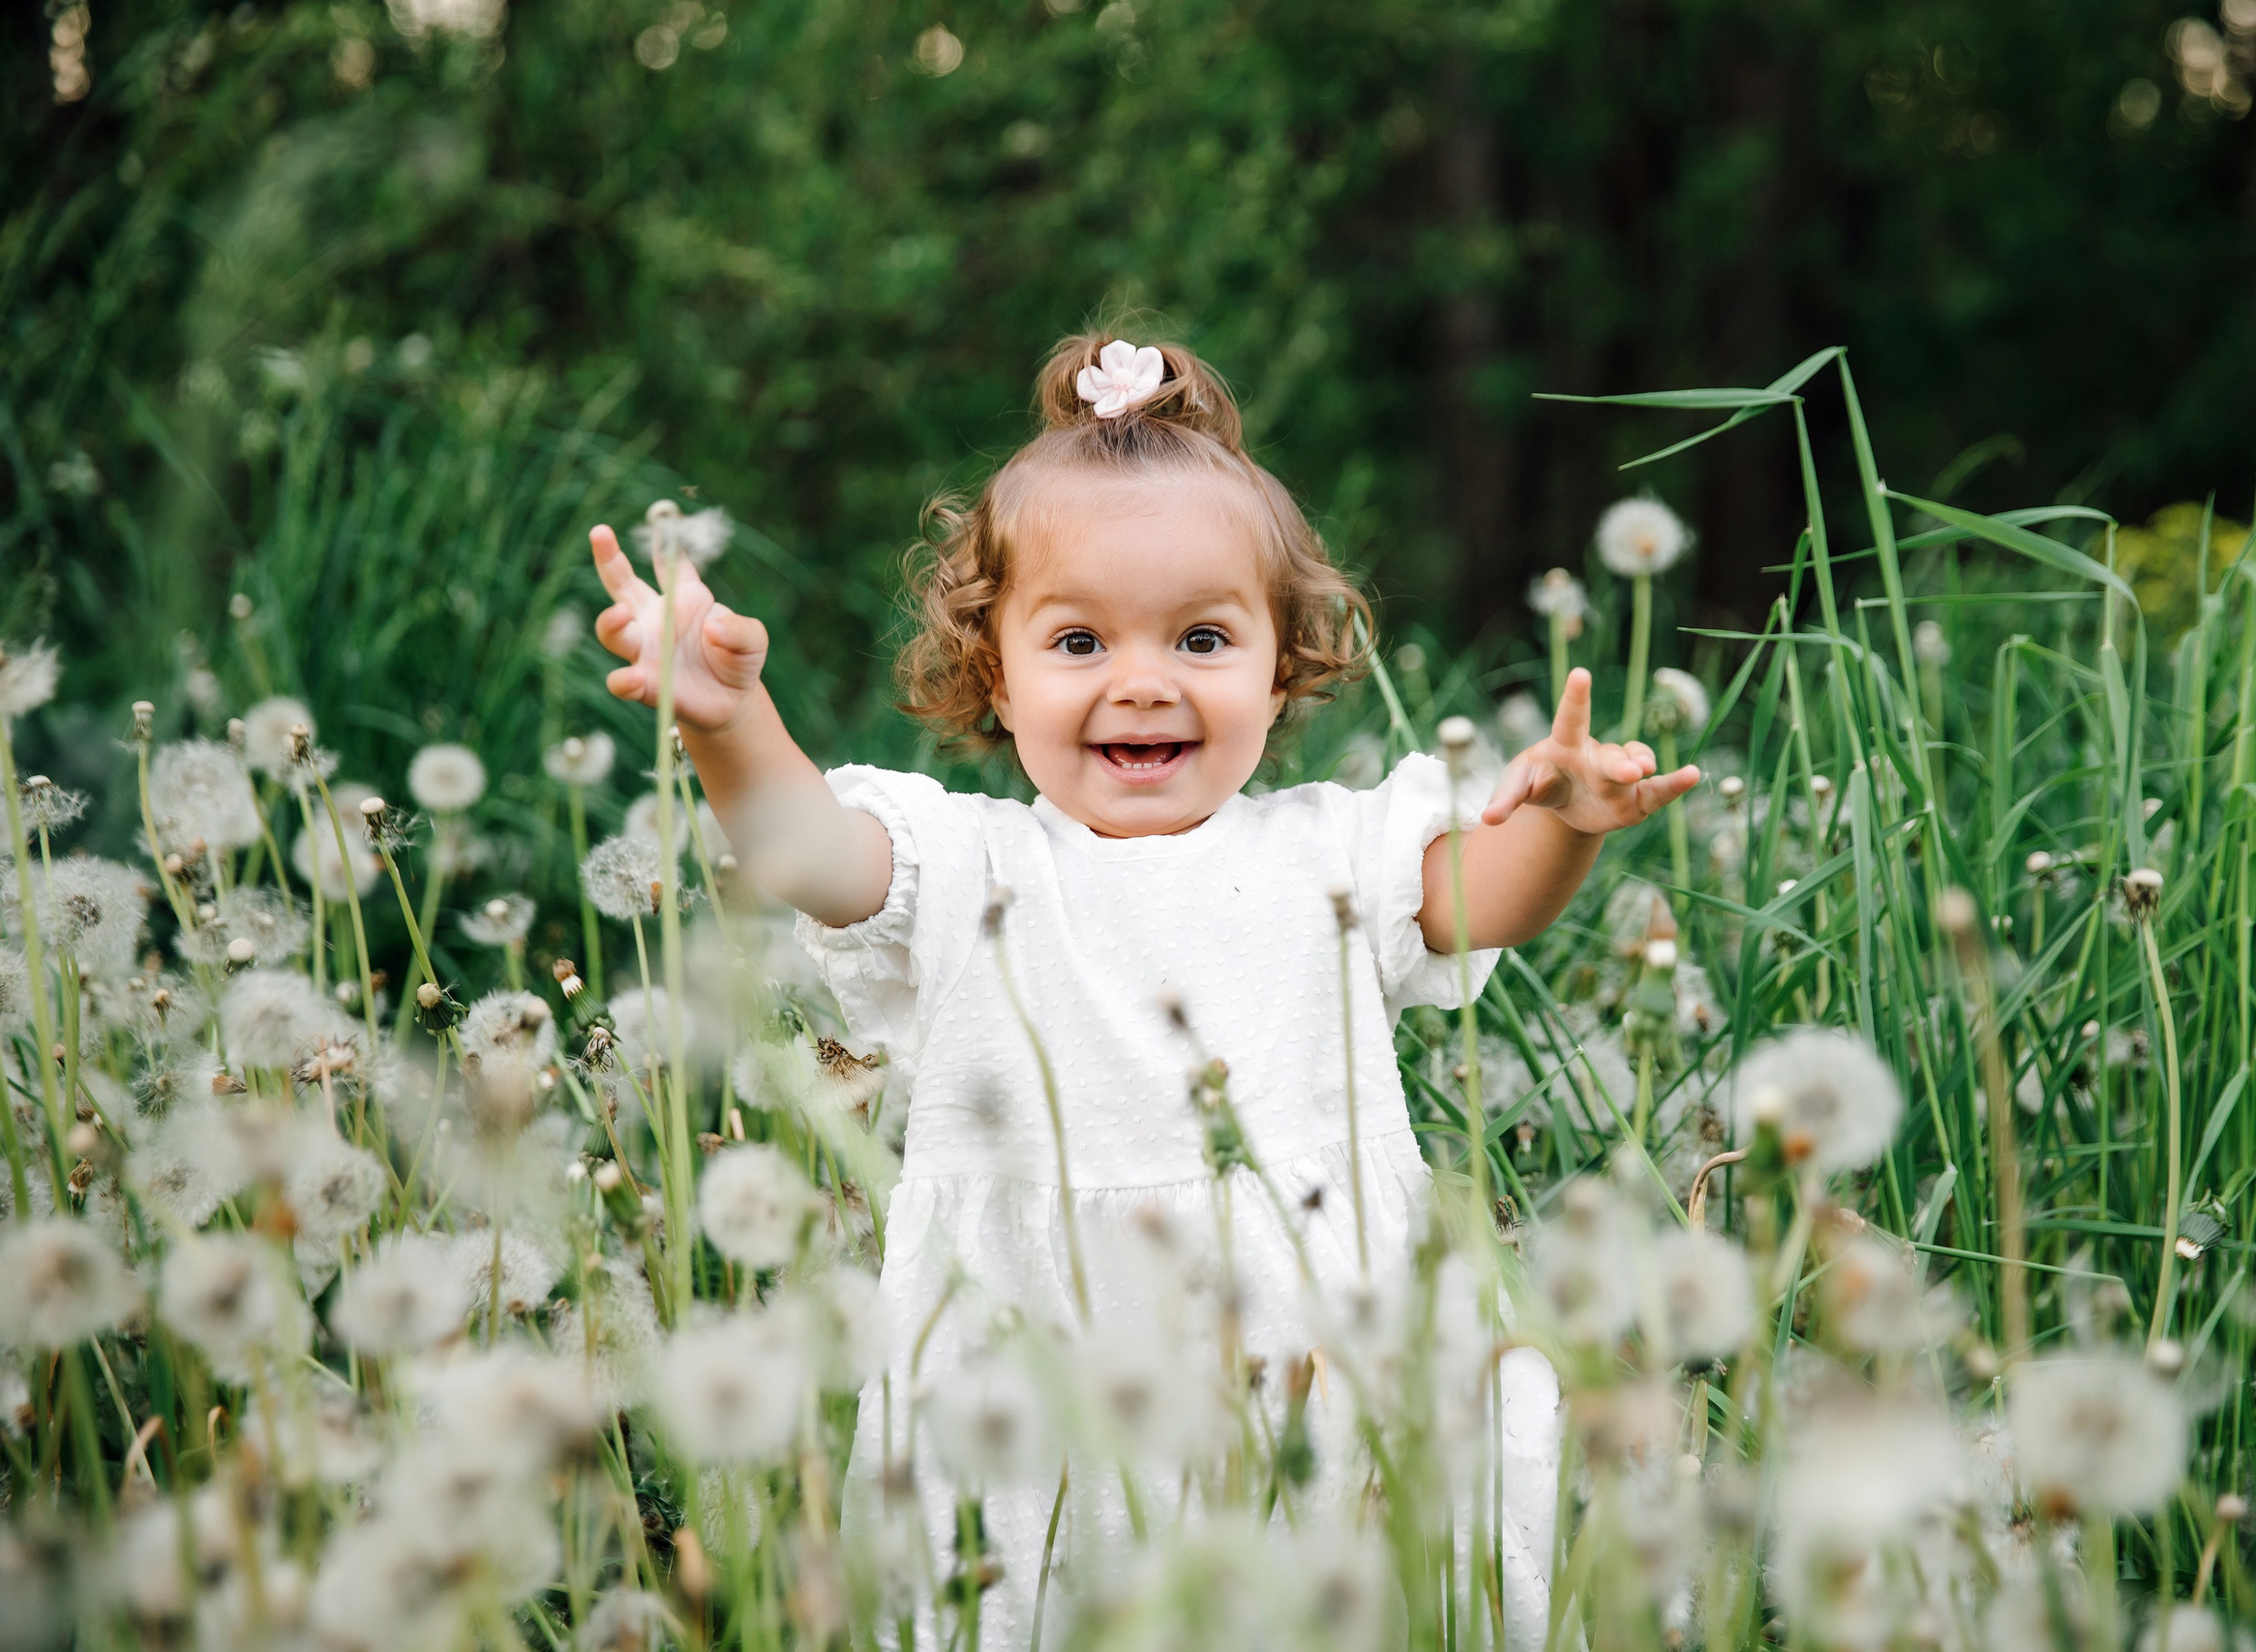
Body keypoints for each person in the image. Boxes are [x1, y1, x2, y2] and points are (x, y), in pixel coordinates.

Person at [588, 331, 1700, 1647]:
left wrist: (1562, 823)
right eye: (1076, 640)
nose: (1142, 679)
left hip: (1310, 1352)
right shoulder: (964, 860)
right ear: (993, 673)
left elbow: (1477, 899)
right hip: (1035, 1362)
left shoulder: (1332, 848)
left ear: (1281, 663)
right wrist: (725, 723)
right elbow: (803, 853)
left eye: (1202, 636)